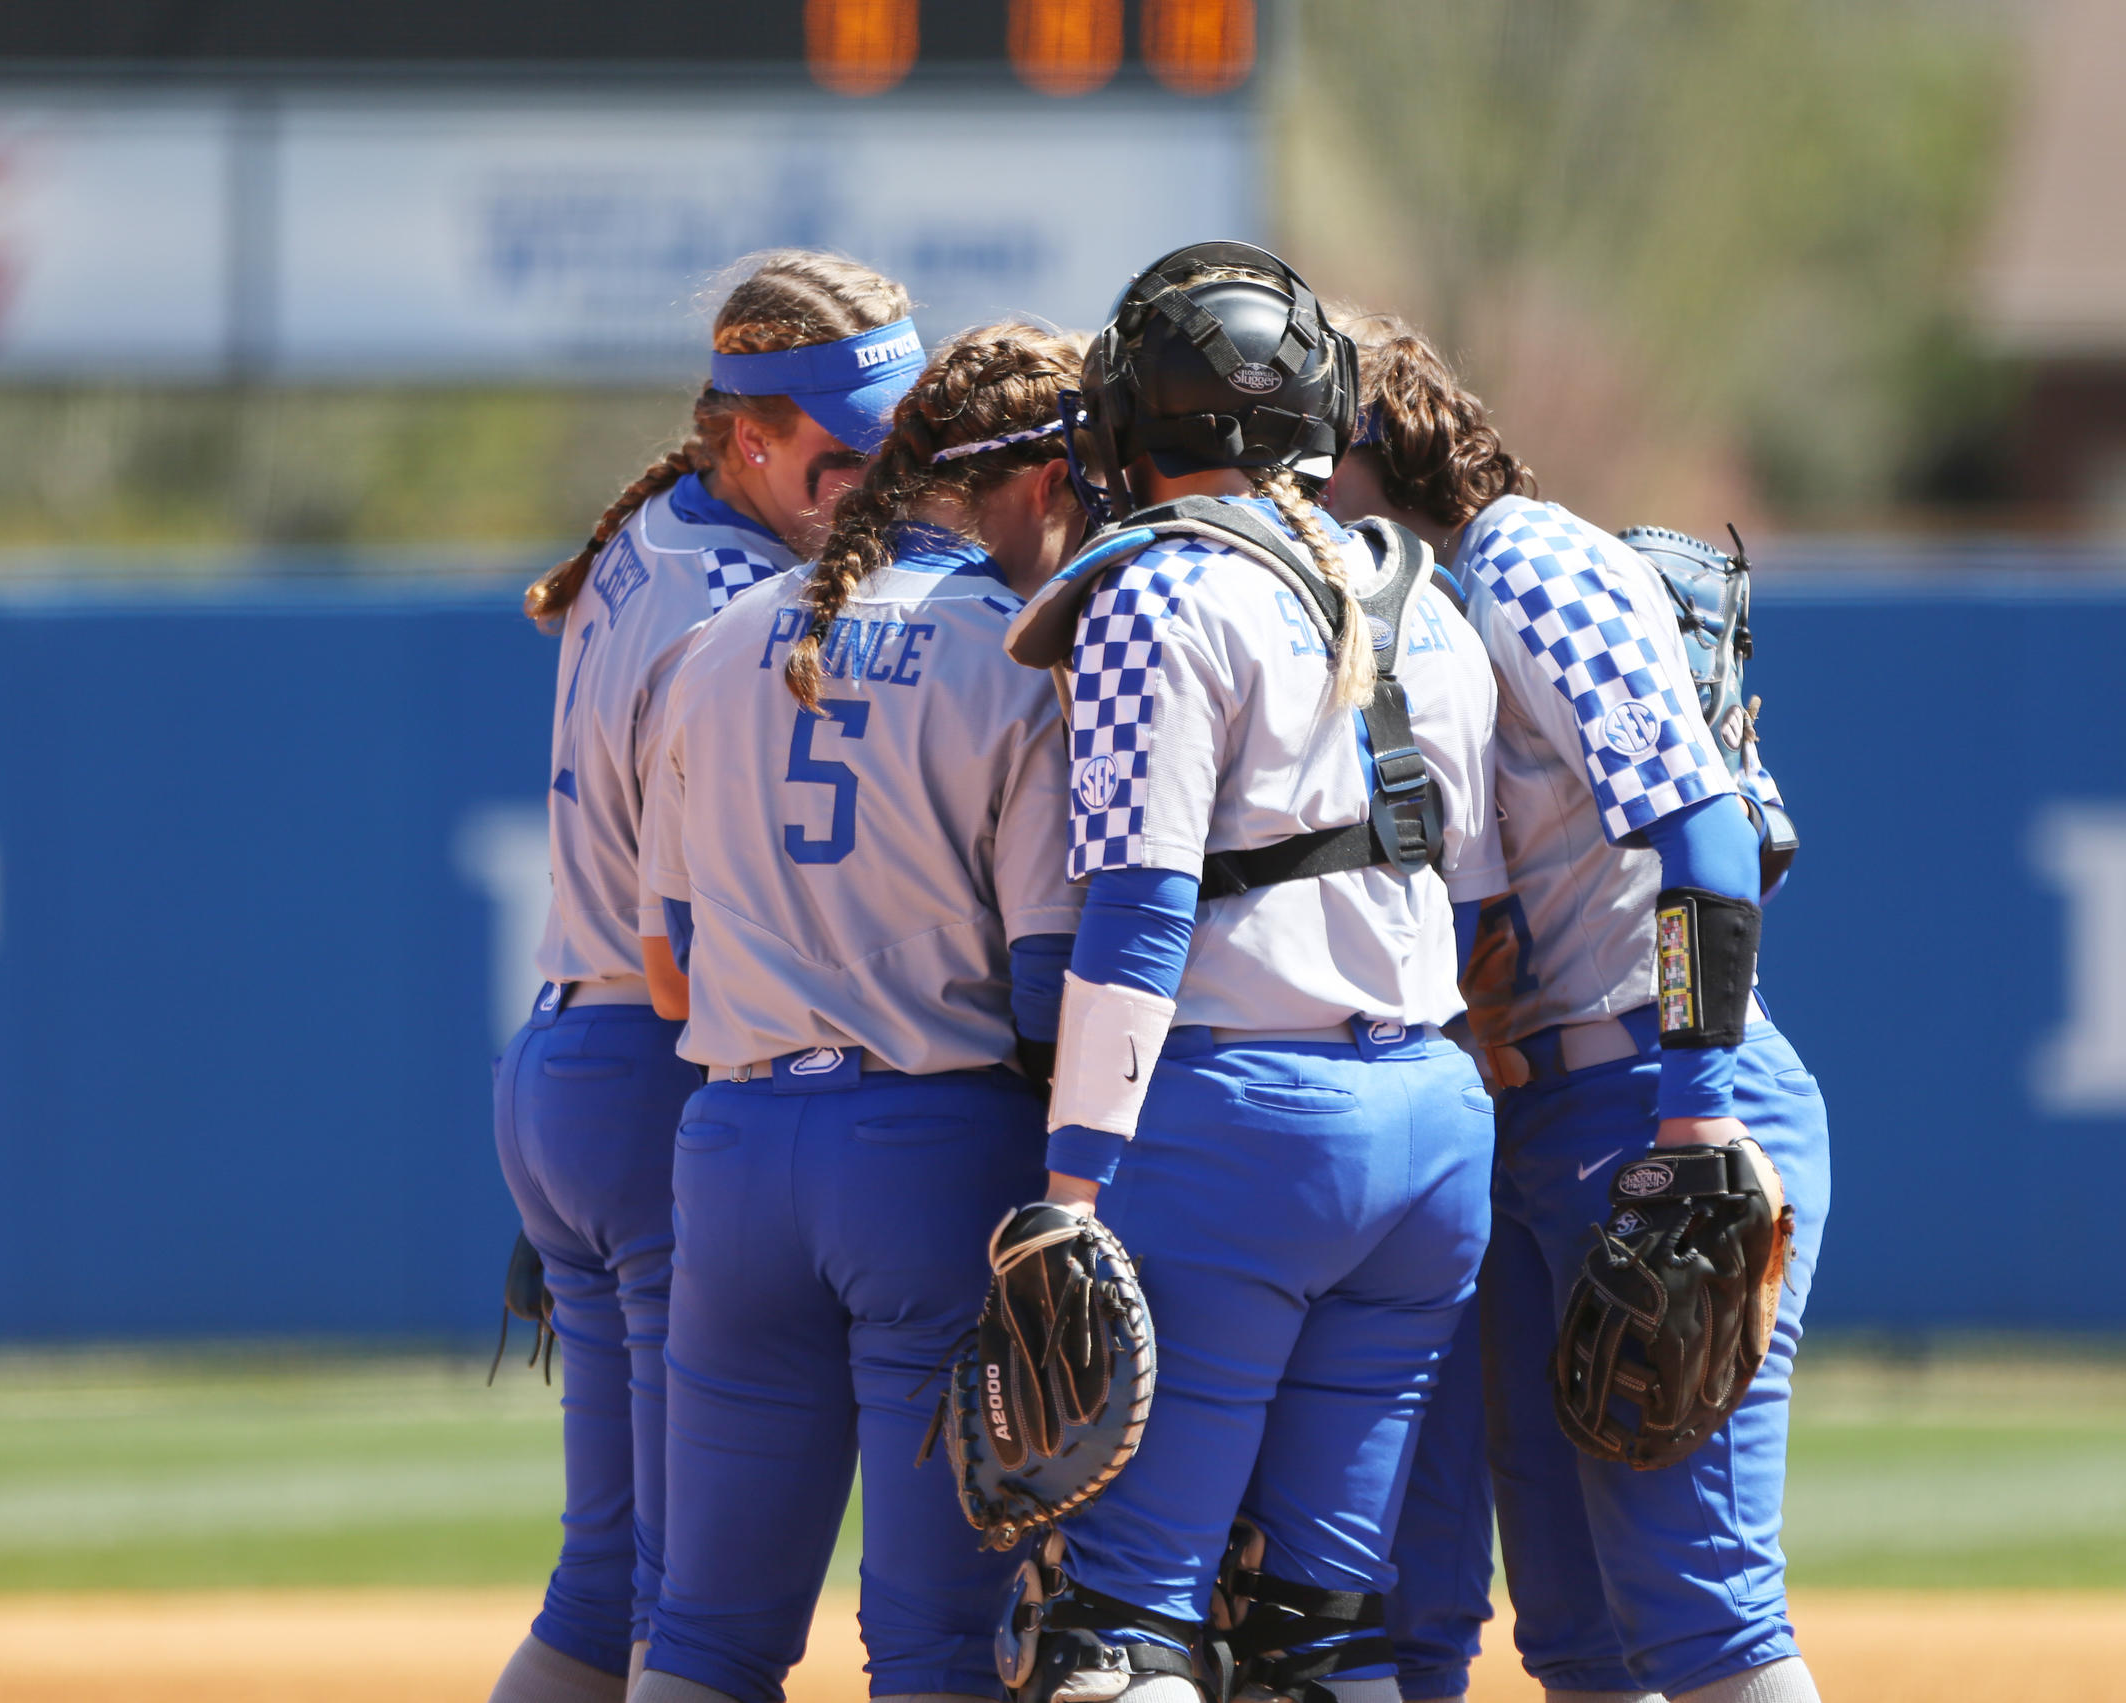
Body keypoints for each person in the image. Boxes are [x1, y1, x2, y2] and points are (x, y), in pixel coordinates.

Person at [997, 244, 1505, 1703]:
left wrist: (1073, 1189)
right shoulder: (1425, 596)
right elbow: (1469, 900)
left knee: (1124, 1625)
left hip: (1240, 1126)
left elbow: (1141, 914)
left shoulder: (1161, 592)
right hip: (1429, 1129)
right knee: (1322, 1634)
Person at [1327, 316, 1830, 1703]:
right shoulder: (1421, 616)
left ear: (1375, 441)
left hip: (1650, 1090)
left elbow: (1711, 843)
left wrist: (1695, 1114)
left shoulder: (1525, 558)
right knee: (1576, 1625)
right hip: (1542, 1109)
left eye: (1311, 462)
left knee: (1699, 1606)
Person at [629, 325, 1095, 1703]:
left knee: (704, 1637)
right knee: (940, 1645)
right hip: (933, 1156)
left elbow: (672, 965)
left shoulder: (711, 646)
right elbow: (1046, 991)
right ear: (1020, 481)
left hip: (735, 1146)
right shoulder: (1016, 656)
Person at [489, 249, 922, 1703]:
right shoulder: (736, 609)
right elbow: (705, 951)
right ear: (748, 435)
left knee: (609, 1582)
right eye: (843, 448)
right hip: (658, 1069)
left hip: (573, 1058)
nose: (879, 477)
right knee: (694, 1609)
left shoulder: (663, 539)